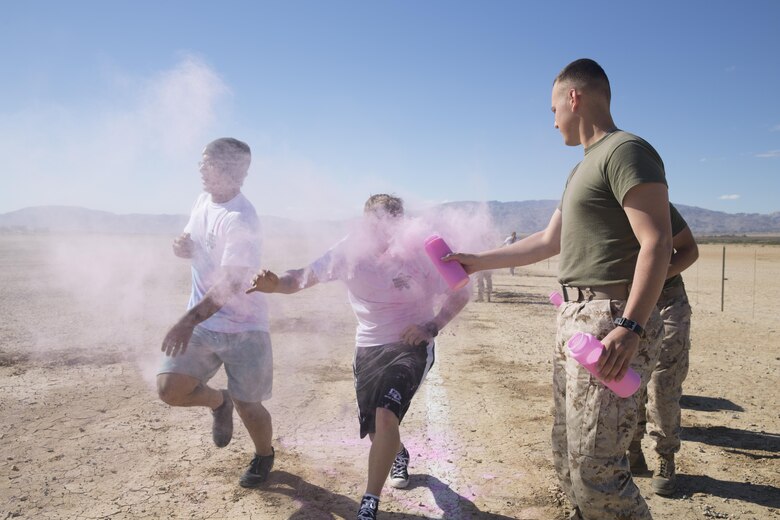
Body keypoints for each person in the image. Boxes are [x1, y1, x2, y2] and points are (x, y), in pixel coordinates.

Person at [445, 59, 673, 520]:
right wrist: (476, 261)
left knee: (597, 470)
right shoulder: (580, 170)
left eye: (553, 108)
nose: (552, 121)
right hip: (575, 319)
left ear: (575, 98)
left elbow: (659, 241)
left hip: (609, 319)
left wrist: (630, 326)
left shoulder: (625, 151)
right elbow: (548, 242)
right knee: (568, 456)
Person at [246, 194, 470, 520]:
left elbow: (460, 290)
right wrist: (275, 283)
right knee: (379, 433)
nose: (383, 231)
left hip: (410, 347)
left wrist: (432, 325)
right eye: (375, 223)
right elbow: (302, 277)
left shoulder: (420, 249)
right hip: (368, 347)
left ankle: (369, 504)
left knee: (385, 414)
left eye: (390, 223)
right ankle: (398, 452)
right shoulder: (348, 249)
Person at [157, 137, 276, 488]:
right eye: (202, 162)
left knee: (249, 405)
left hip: (245, 329)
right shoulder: (202, 201)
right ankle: (217, 402)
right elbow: (196, 245)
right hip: (205, 324)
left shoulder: (242, 220)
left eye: (208, 164)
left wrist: (185, 322)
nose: (201, 169)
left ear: (234, 171)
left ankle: (264, 454)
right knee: (170, 390)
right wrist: (184, 247)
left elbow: (229, 286)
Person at [629, 203, 698, 496]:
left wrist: (655, 276)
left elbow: (689, 250)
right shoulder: (601, 205)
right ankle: (631, 450)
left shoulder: (653, 202)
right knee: (629, 380)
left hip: (668, 300)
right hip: (625, 302)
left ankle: (665, 457)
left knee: (663, 383)